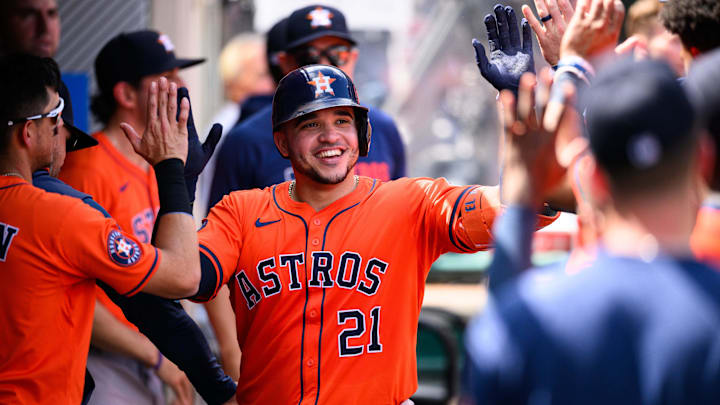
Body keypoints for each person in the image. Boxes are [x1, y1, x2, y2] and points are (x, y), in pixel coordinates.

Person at [190, 63, 558, 404]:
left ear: (362, 134)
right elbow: (178, 278)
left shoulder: (411, 204)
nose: (330, 136)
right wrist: (174, 180)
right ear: (283, 142)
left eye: (342, 120)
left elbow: (519, 206)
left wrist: (518, 107)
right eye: (310, 124)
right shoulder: (241, 210)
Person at [463, 57, 720, 404]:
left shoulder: (524, 318)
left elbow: (500, 343)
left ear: (593, 179)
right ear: (703, 161)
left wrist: (523, 198)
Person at [0, 53, 201, 404]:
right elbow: (183, 275)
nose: (60, 126)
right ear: (28, 132)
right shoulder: (59, 215)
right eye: (54, 117)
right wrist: (173, 172)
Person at [57, 30, 221, 405]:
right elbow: (75, 289)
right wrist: (156, 356)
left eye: (179, 76)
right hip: (107, 355)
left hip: (160, 346)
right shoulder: (86, 167)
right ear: (126, 94)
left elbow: (184, 264)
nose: (180, 88)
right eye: (166, 79)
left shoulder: (159, 160)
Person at [208, 4, 406, 211]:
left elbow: (403, 214)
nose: (324, 66)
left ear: (353, 58)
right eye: (308, 57)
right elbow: (222, 230)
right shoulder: (246, 141)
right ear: (284, 63)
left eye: (337, 54)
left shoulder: (384, 128)